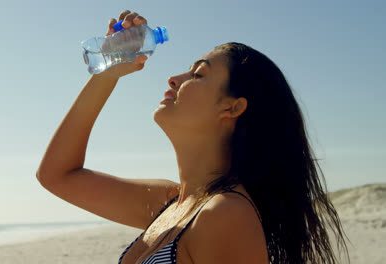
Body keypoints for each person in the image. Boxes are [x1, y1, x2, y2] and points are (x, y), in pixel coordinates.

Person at [36, 10, 350, 264]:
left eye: (197, 74)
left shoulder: (225, 215)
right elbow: (56, 175)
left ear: (232, 107)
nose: (174, 78)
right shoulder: (169, 203)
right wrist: (107, 72)